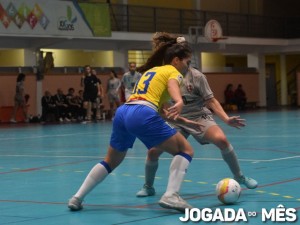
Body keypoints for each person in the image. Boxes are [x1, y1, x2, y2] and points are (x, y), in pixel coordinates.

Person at [68, 33, 195, 213]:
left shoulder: (152, 71)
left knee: (110, 161)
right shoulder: (172, 72)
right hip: (142, 114)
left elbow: (159, 111)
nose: (187, 67)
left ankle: (77, 197)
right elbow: (172, 86)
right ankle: (171, 195)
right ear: (176, 61)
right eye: (187, 62)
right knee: (186, 150)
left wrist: (185, 121)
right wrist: (179, 100)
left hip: (124, 112)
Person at [136, 67, 258, 197]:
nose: (188, 63)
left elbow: (211, 100)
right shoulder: (164, 76)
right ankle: (148, 187)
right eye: (185, 60)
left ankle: (239, 177)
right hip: (176, 119)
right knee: (153, 151)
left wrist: (226, 119)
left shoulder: (197, 76)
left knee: (222, 140)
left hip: (199, 116)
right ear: (175, 60)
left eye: (189, 61)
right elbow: (159, 105)